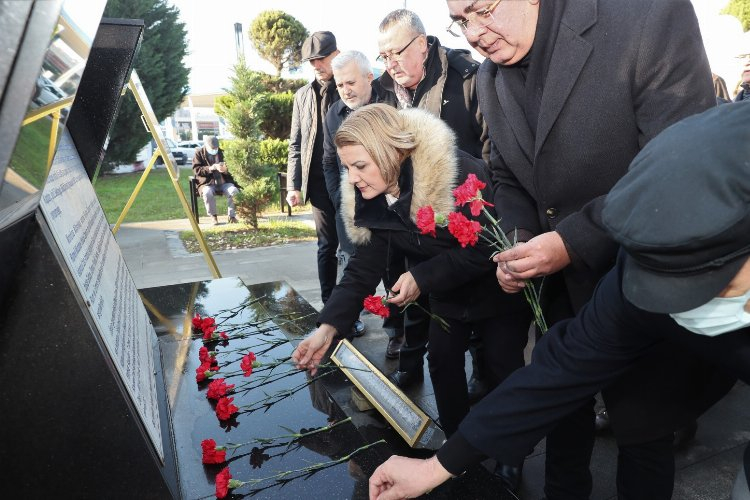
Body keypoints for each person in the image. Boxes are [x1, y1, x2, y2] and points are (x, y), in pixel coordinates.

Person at [368, 102, 750, 500]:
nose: (678, 305)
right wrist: (436, 467)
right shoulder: (638, 279)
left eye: (709, 285)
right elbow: (557, 374)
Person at [443, 0, 729, 497]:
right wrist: (519, 241)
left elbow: (676, 169)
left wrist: (573, 242)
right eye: (460, 21)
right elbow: (507, 176)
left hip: (645, 283)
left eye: (481, 9)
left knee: (644, 435)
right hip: (559, 295)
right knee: (563, 425)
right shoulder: (489, 77)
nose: (473, 33)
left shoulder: (648, 18)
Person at [292, 104, 530, 441]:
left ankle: (512, 451)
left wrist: (421, 277)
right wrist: (327, 329)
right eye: (347, 168)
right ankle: (457, 446)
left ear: (389, 153)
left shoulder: (454, 173)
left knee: (502, 366)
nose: (353, 178)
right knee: (442, 363)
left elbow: (488, 248)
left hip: (497, 289)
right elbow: (362, 269)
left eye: (360, 166)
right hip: (447, 292)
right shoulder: (372, 196)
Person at [376, 9, 494, 399]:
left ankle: (484, 375)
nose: (391, 64)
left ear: (423, 45)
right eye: (384, 56)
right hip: (417, 226)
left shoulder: (468, 78)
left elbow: (492, 149)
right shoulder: (384, 91)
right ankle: (412, 366)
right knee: (421, 304)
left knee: (482, 323)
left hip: (470, 223)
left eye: (397, 52)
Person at [322, 51, 382, 347]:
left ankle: (397, 332)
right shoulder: (334, 114)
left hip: (387, 207)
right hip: (349, 210)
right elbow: (328, 160)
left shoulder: (388, 106)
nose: (345, 90)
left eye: (350, 82)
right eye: (339, 84)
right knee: (351, 267)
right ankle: (349, 319)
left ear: (369, 77)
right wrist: (339, 199)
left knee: (394, 270)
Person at [286, 31, 343, 307]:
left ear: (337, 54)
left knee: (354, 248)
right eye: (312, 61)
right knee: (326, 246)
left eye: (322, 58)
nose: (317, 65)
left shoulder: (349, 86)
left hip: (351, 181)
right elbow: (295, 143)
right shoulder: (302, 96)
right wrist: (293, 185)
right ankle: (330, 308)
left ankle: (352, 310)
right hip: (318, 184)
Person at [192, 135, 239, 225]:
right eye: (212, 148)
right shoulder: (199, 153)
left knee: (234, 191)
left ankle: (232, 216)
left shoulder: (222, 152)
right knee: (207, 192)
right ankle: (213, 216)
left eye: (216, 148)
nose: (214, 150)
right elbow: (196, 170)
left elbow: (232, 168)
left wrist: (226, 170)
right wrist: (211, 168)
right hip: (207, 183)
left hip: (224, 182)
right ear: (206, 145)